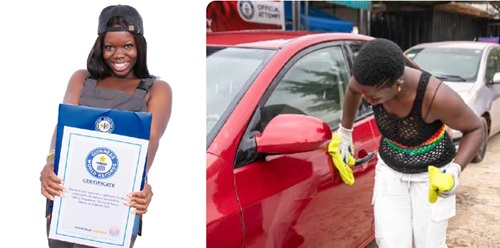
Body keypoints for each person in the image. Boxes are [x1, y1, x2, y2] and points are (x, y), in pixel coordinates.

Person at [39, 4, 172, 248]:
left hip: (116, 201)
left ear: (139, 46)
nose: (119, 54)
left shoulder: (156, 89)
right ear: (100, 47)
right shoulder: (82, 78)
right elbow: (64, 126)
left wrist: (140, 186)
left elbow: (151, 139)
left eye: (128, 46)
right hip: (68, 195)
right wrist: (50, 164)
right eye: (110, 47)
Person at [336, 38, 483, 247]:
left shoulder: (436, 97)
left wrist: (454, 170)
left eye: (374, 98)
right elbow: (352, 90)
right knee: (390, 241)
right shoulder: (367, 82)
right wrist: (345, 131)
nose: (367, 100)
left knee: (428, 243)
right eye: (364, 95)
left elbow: (476, 128)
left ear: (397, 85)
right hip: (390, 170)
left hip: (431, 176)